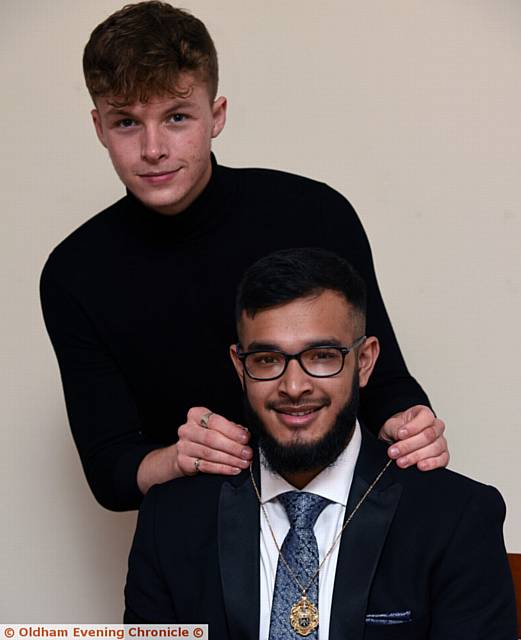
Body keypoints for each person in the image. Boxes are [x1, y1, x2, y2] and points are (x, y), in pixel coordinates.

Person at [40, 1, 448, 512]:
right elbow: (111, 472)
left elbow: (383, 379)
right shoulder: (74, 273)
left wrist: (412, 424)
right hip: (202, 536)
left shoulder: (315, 213)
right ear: (99, 127)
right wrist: (178, 457)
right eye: (127, 122)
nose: (153, 148)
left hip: (348, 521)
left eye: (177, 117)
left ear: (216, 116)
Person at [124, 248, 516, 638]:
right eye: (267, 359)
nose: (294, 387)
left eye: (323, 356)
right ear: (239, 366)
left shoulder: (455, 517)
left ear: (364, 361)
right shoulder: (171, 522)